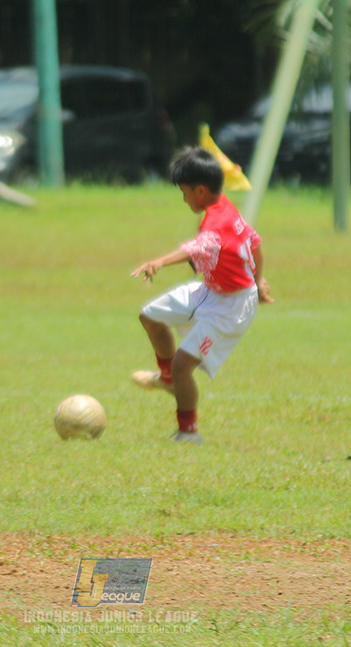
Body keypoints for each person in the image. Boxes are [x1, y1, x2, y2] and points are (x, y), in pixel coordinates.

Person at [130, 146, 273, 444]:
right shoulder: (224, 207)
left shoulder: (216, 224)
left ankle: (189, 432)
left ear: (200, 190)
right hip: (210, 290)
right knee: (150, 316)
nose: (184, 199)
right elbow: (255, 242)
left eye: (184, 193)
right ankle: (167, 378)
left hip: (231, 307)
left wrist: (159, 262)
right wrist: (258, 279)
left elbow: (193, 249)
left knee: (183, 365)